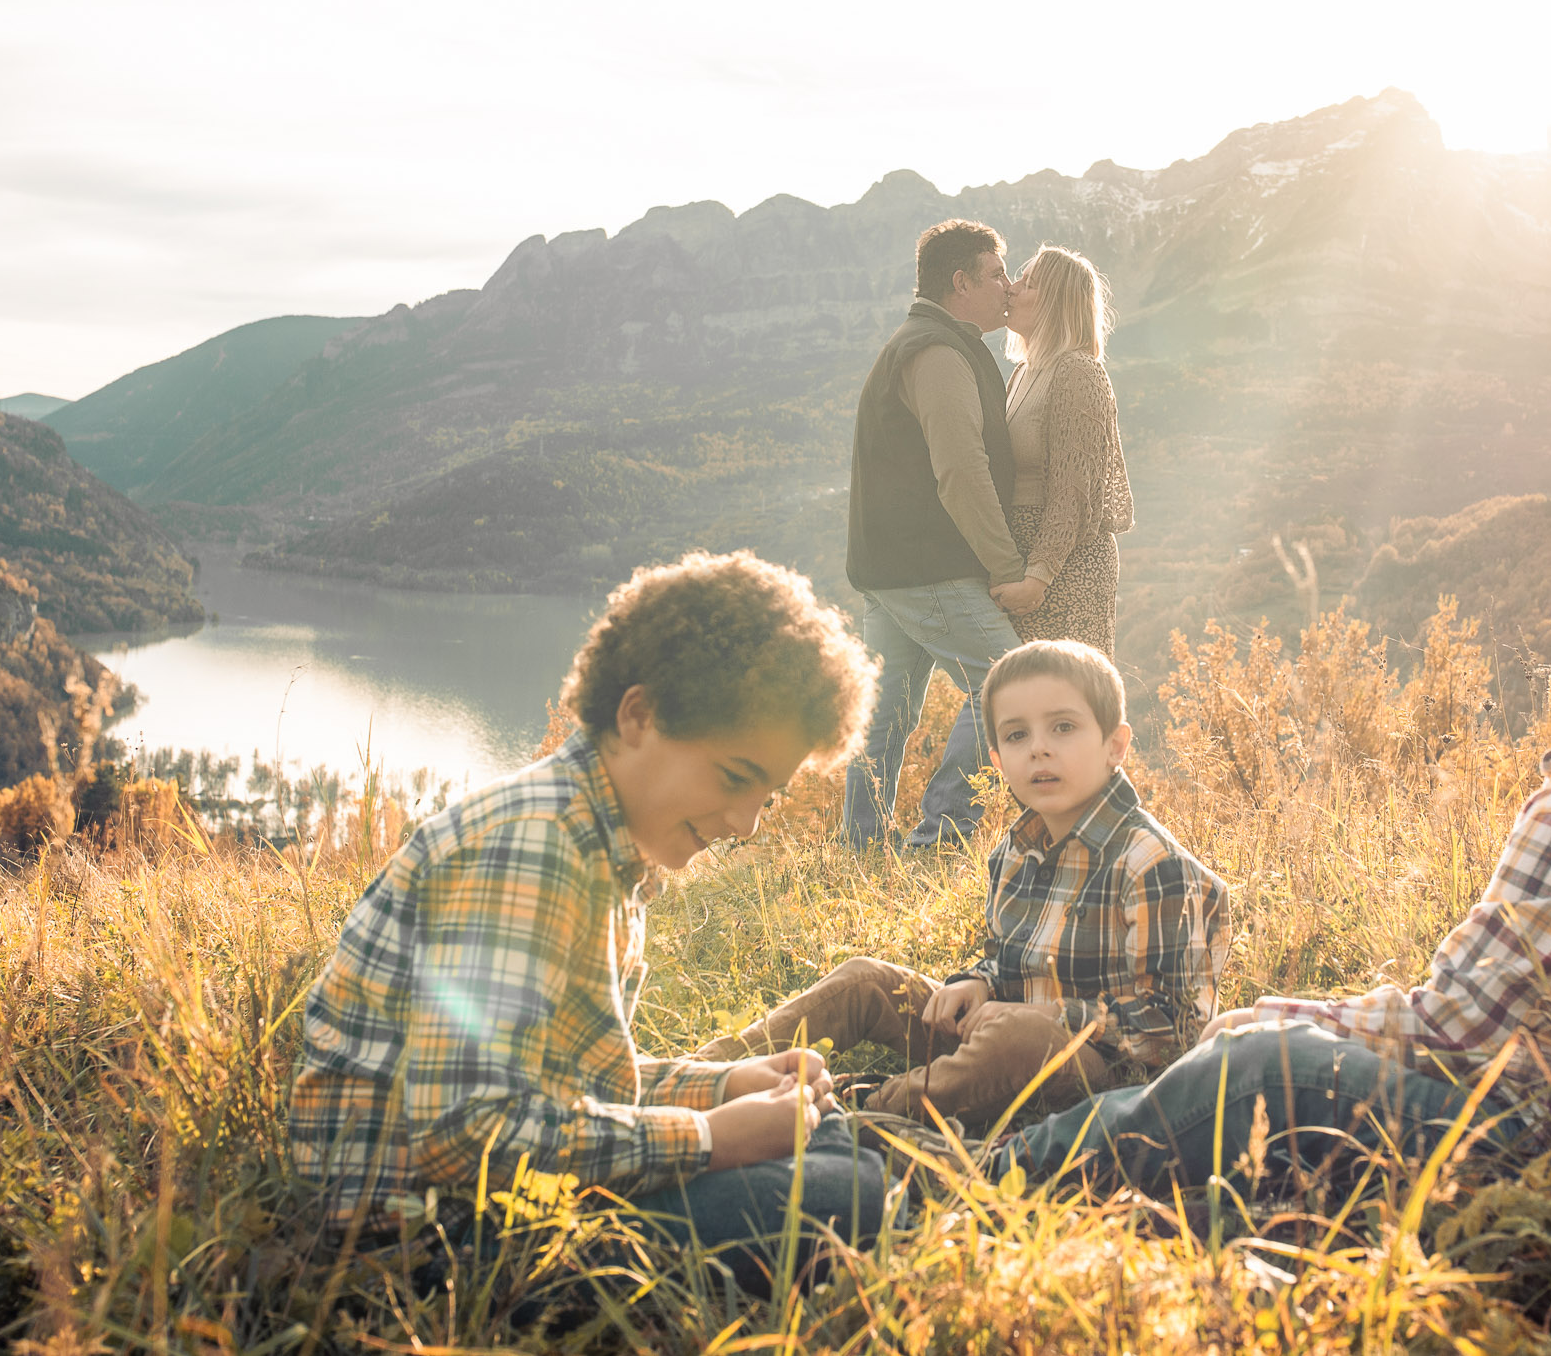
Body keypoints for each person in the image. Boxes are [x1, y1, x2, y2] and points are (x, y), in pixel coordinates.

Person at [994, 534, 1551, 1197]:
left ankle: (987, 1176)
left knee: (1256, 1065)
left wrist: (1276, 1016)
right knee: (1265, 1063)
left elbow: (1451, 1028)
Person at [287, 552, 884, 1293]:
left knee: (830, 1149)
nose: (746, 824)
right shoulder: (534, 846)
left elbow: (575, 1085)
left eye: (766, 795)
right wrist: (709, 1139)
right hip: (429, 1243)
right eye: (734, 778)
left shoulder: (601, 845)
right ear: (638, 714)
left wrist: (722, 1085)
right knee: (844, 1190)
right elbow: (468, 1131)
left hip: (497, 1204)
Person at [700, 639, 1228, 1133]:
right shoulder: (1017, 850)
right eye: (1017, 735)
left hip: (1099, 1074)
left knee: (1017, 1040)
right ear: (997, 760)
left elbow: (1170, 1029)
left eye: (1063, 728)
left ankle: (856, 1114)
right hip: (999, 1032)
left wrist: (1036, 1017)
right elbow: (1009, 959)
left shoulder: (1150, 863)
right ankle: (709, 1076)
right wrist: (977, 981)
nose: (1039, 750)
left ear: (1115, 745)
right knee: (867, 981)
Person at [843, 218, 1035, 851]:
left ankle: (863, 847)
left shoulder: (917, 342)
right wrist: (1006, 568)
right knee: (1013, 685)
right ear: (960, 282)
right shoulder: (939, 353)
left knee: (886, 718)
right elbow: (961, 471)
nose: (1007, 287)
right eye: (996, 273)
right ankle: (940, 838)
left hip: (889, 567)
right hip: (930, 568)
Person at [999, 246, 1133, 656]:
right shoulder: (1023, 372)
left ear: (1055, 303)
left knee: (1067, 695)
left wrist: (1037, 578)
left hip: (1066, 570)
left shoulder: (1078, 372)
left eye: (1029, 283)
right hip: (1029, 563)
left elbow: (1071, 494)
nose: (1012, 289)